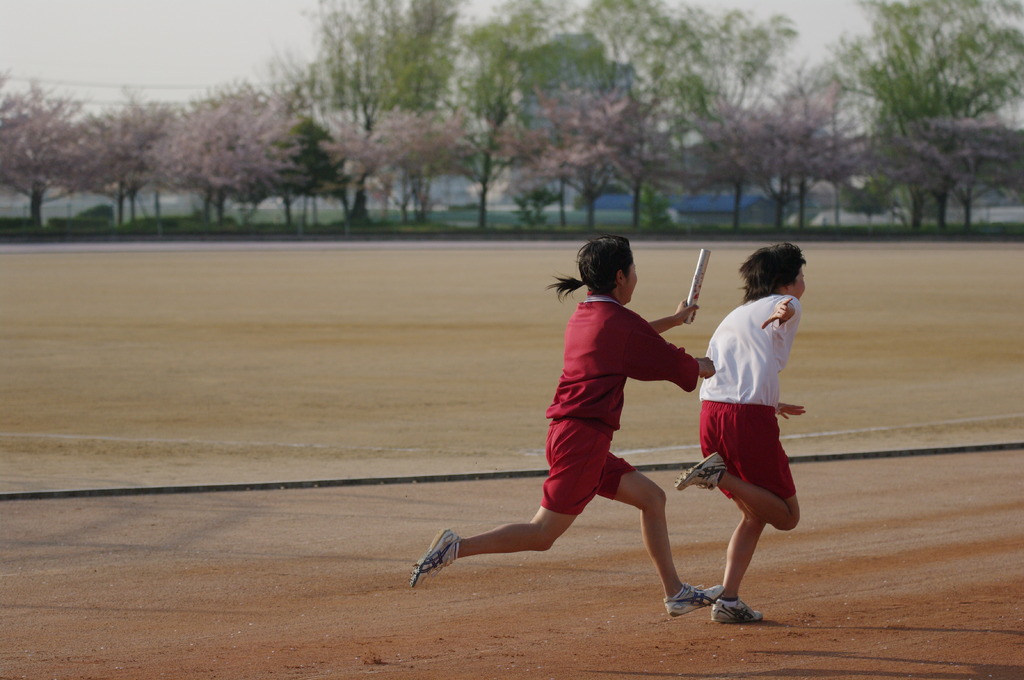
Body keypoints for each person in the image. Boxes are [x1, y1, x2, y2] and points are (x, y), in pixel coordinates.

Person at [410, 235, 721, 618]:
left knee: (652, 499)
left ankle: (675, 593)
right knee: (542, 535)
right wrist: (706, 366)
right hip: (583, 441)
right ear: (621, 277)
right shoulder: (619, 323)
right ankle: (456, 547)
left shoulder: (587, 312)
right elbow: (666, 359)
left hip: (572, 435)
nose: (636, 277)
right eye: (634, 271)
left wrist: (675, 320)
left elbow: (632, 338)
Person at [674, 242, 806, 624]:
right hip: (745, 420)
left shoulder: (737, 314)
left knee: (754, 514)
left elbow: (728, 368)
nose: (803, 283)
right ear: (786, 281)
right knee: (786, 516)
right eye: (800, 276)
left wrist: (773, 402)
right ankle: (717, 474)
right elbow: (788, 307)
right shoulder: (783, 304)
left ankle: (729, 600)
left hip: (713, 414)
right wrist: (785, 309)